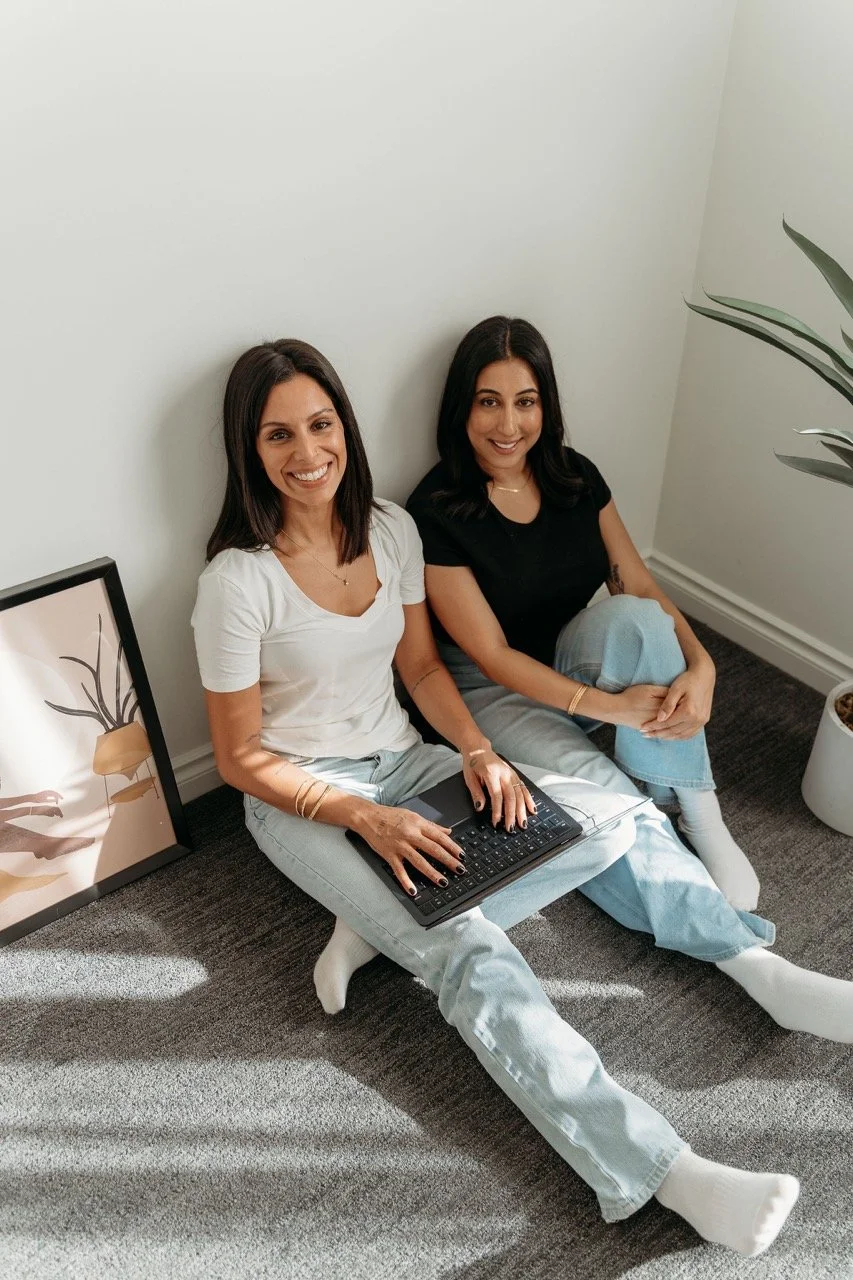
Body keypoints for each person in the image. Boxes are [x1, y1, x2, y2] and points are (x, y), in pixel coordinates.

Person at [192, 337, 852, 1258]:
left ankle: (756, 968)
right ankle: (665, 1173)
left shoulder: (388, 528)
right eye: (277, 435)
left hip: (409, 759)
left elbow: (421, 666)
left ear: (344, 424)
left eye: (320, 423)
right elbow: (237, 758)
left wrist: (474, 752)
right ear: (247, 450)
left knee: (603, 812)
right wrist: (364, 819)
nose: (306, 452)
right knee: (473, 958)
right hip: (307, 800)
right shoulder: (236, 581)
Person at [402, 315, 761, 912]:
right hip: (487, 689)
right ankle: (656, 817)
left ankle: (698, 809)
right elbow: (491, 655)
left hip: (568, 658)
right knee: (613, 803)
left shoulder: (575, 475)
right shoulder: (436, 510)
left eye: (526, 402)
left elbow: (638, 582)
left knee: (638, 621)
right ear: (461, 407)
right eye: (489, 402)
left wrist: (704, 666)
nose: (509, 425)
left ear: (546, 406)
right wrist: (607, 707)